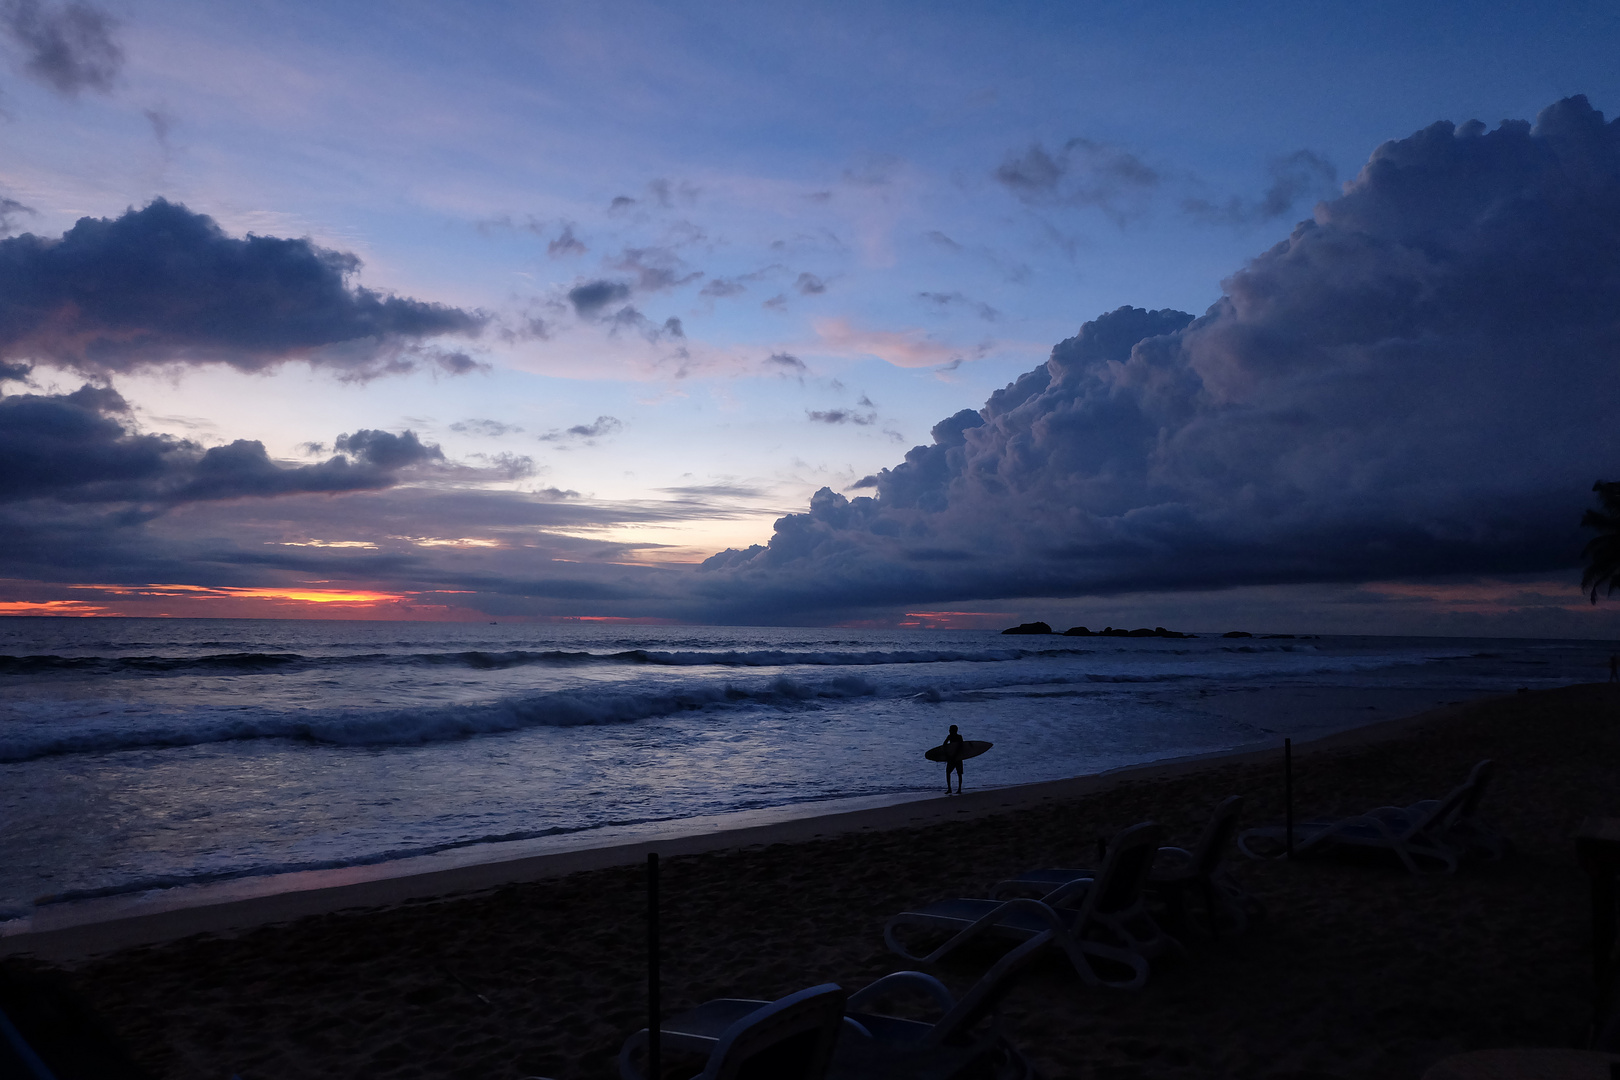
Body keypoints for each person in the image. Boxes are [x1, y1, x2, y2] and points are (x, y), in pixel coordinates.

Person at [943, 724, 965, 794]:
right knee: (951, 773)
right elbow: (944, 744)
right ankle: (952, 789)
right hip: (955, 757)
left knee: (957, 773)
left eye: (950, 729)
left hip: (955, 758)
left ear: (953, 731)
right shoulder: (952, 736)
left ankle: (956, 789)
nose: (949, 731)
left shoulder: (956, 737)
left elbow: (961, 746)